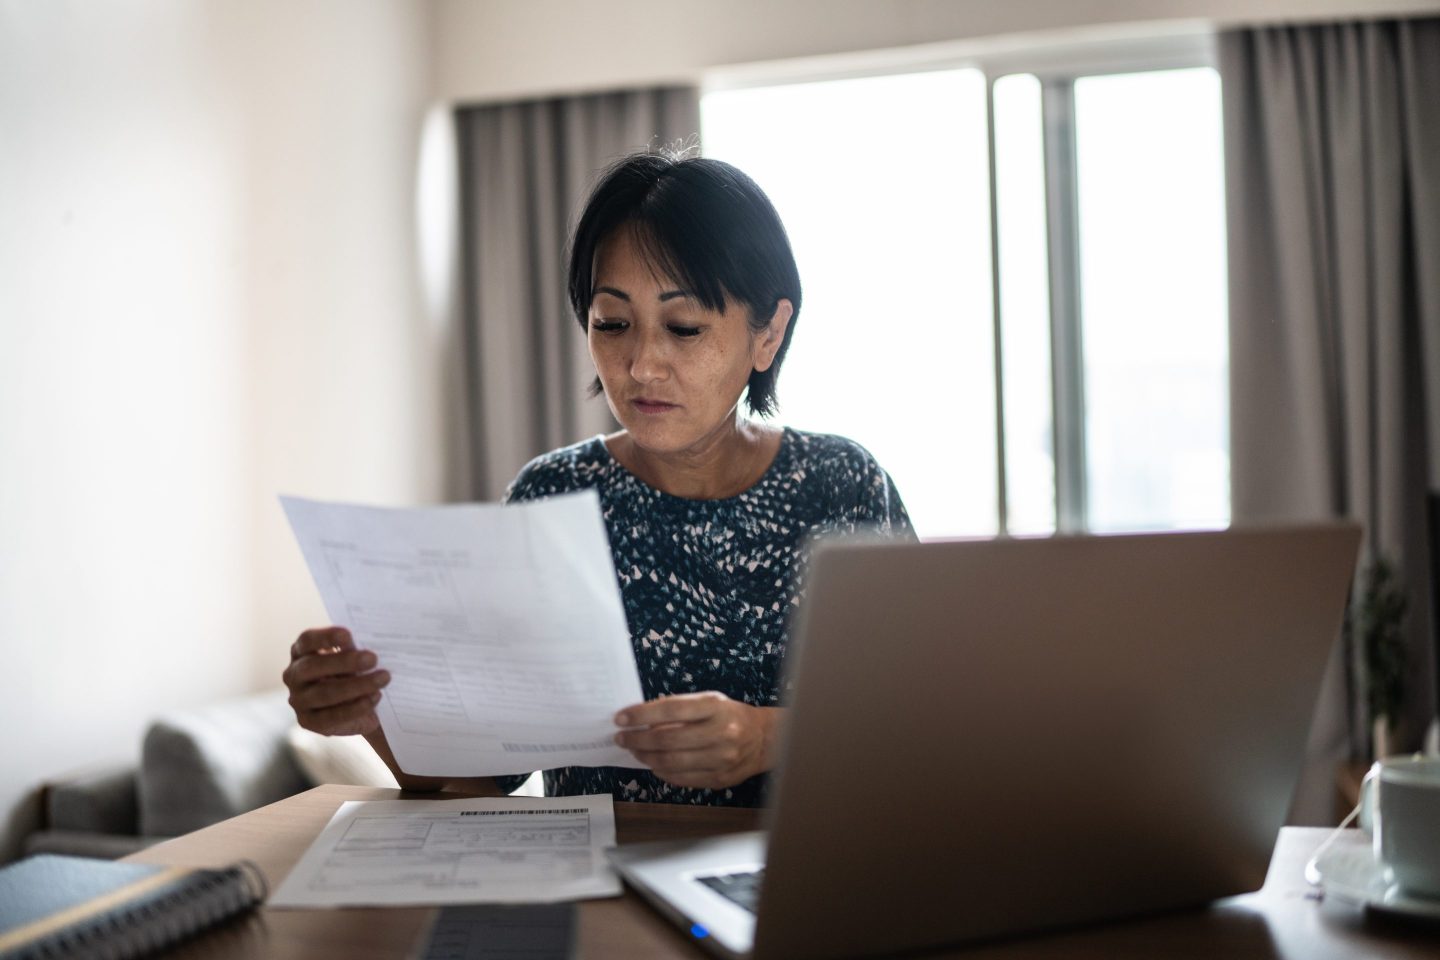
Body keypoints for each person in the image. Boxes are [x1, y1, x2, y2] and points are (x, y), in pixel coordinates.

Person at [283, 152, 911, 807]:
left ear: (768, 333)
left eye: (684, 327)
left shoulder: (844, 489)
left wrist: (767, 738)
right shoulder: (553, 498)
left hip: (796, 886)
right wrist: (372, 720)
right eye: (612, 324)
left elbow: (923, 718)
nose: (641, 365)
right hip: (595, 890)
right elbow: (477, 780)